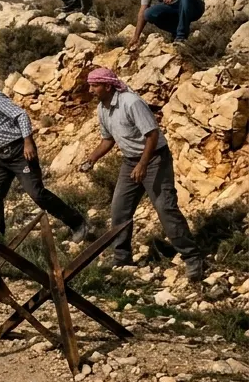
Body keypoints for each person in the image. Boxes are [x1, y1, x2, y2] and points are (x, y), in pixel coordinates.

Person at [79, 68, 206, 281]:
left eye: (95, 86)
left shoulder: (131, 102)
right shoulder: (103, 108)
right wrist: (92, 159)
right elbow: (108, 139)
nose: (91, 90)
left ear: (108, 86)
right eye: (90, 85)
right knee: (120, 209)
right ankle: (122, 257)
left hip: (155, 158)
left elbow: (152, 134)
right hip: (130, 161)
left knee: (165, 208)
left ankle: (192, 258)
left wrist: (143, 165)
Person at [0, 65, 89, 242]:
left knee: (37, 194)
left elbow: (21, 115)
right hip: (0, 156)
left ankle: (78, 223)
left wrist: (28, 142)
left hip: (19, 151)